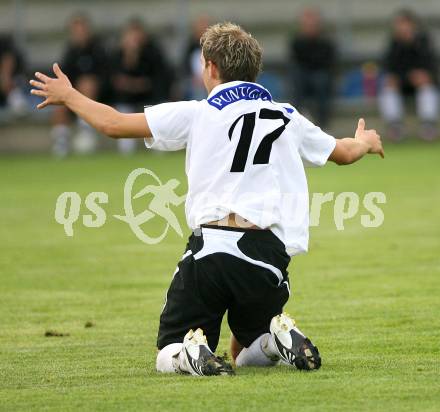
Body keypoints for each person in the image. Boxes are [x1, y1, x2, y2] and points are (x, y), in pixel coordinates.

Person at [30, 22, 384, 376]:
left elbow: (114, 124)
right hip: (267, 254)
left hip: (213, 247)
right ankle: (274, 341)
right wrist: (365, 140)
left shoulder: (198, 112)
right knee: (244, 350)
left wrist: (69, 95)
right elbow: (343, 152)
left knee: (167, 350)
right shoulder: (286, 114)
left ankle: (187, 354)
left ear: (212, 67)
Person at [110, 19, 173, 154]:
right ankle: (127, 150)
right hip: (127, 98)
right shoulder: (118, 54)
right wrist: (130, 57)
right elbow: (116, 81)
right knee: (123, 107)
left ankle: (159, 147)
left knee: (157, 106)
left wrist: (135, 84)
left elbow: (158, 78)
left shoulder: (153, 51)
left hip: (151, 96)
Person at [51, 13, 108, 156]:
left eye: (81, 29)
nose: (79, 33)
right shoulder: (70, 52)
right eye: (75, 30)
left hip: (99, 96)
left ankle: (86, 129)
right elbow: (65, 76)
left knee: (87, 84)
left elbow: (105, 75)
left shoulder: (98, 49)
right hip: (74, 95)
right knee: (57, 98)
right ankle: (61, 141)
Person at [379, 9, 439, 141]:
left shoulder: (424, 42)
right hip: (401, 84)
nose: (402, 28)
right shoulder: (393, 44)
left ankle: (428, 125)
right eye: (399, 24)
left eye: (405, 24)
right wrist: (399, 77)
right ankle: (394, 126)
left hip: (421, 83)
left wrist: (425, 75)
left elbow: (431, 67)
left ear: (413, 25)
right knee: (388, 88)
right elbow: (389, 68)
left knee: (427, 88)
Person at [289, 8, 336, 128]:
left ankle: (323, 122)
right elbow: (296, 62)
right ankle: (295, 121)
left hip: (320, 76)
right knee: (297, 79)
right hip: (303, 76)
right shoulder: (297, 42)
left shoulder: (326, 42)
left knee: (321, 80)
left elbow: (328, 63)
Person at [0, 34, 27, 114]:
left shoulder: (4, 43)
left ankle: (16, 102)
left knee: (7, 81)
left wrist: (5, 78)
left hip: (16, 82)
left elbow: (8, 59)